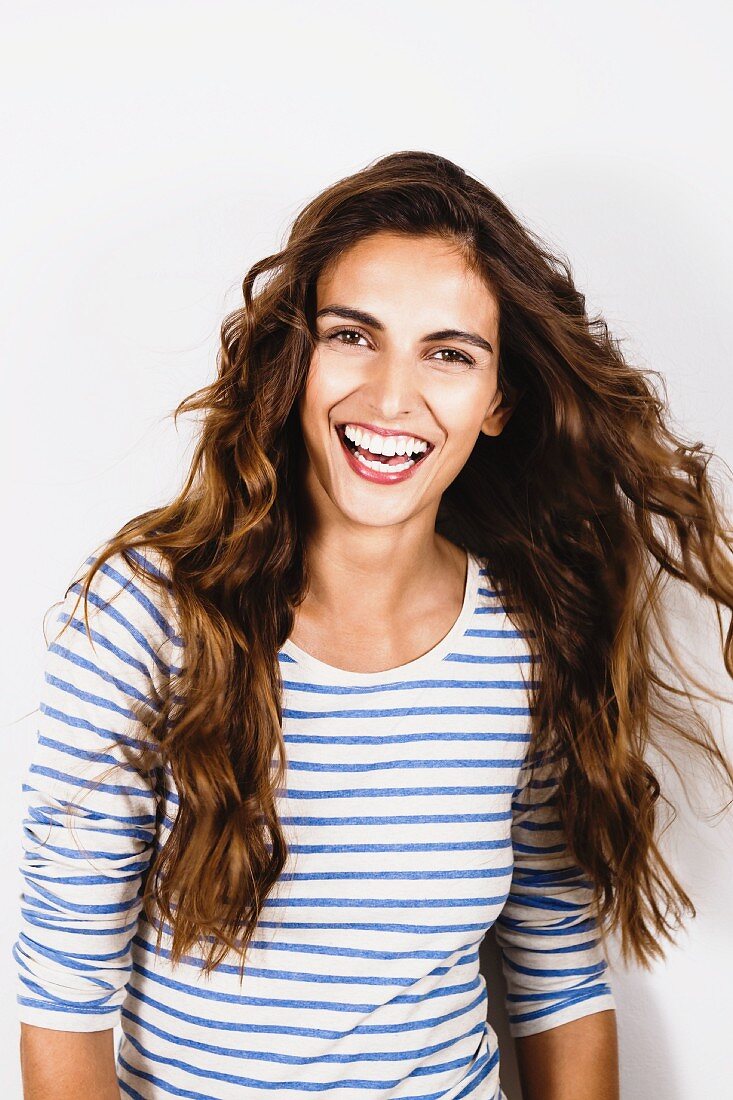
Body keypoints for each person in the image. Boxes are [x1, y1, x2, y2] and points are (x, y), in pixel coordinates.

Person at [14, 151, 733, 1100]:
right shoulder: (148, 612)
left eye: (448, 353)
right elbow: (64, 986)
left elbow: (555, 966)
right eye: (354, 335)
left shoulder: (526, 638)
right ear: (294, 359)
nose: (392, 397)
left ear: (498, 402)